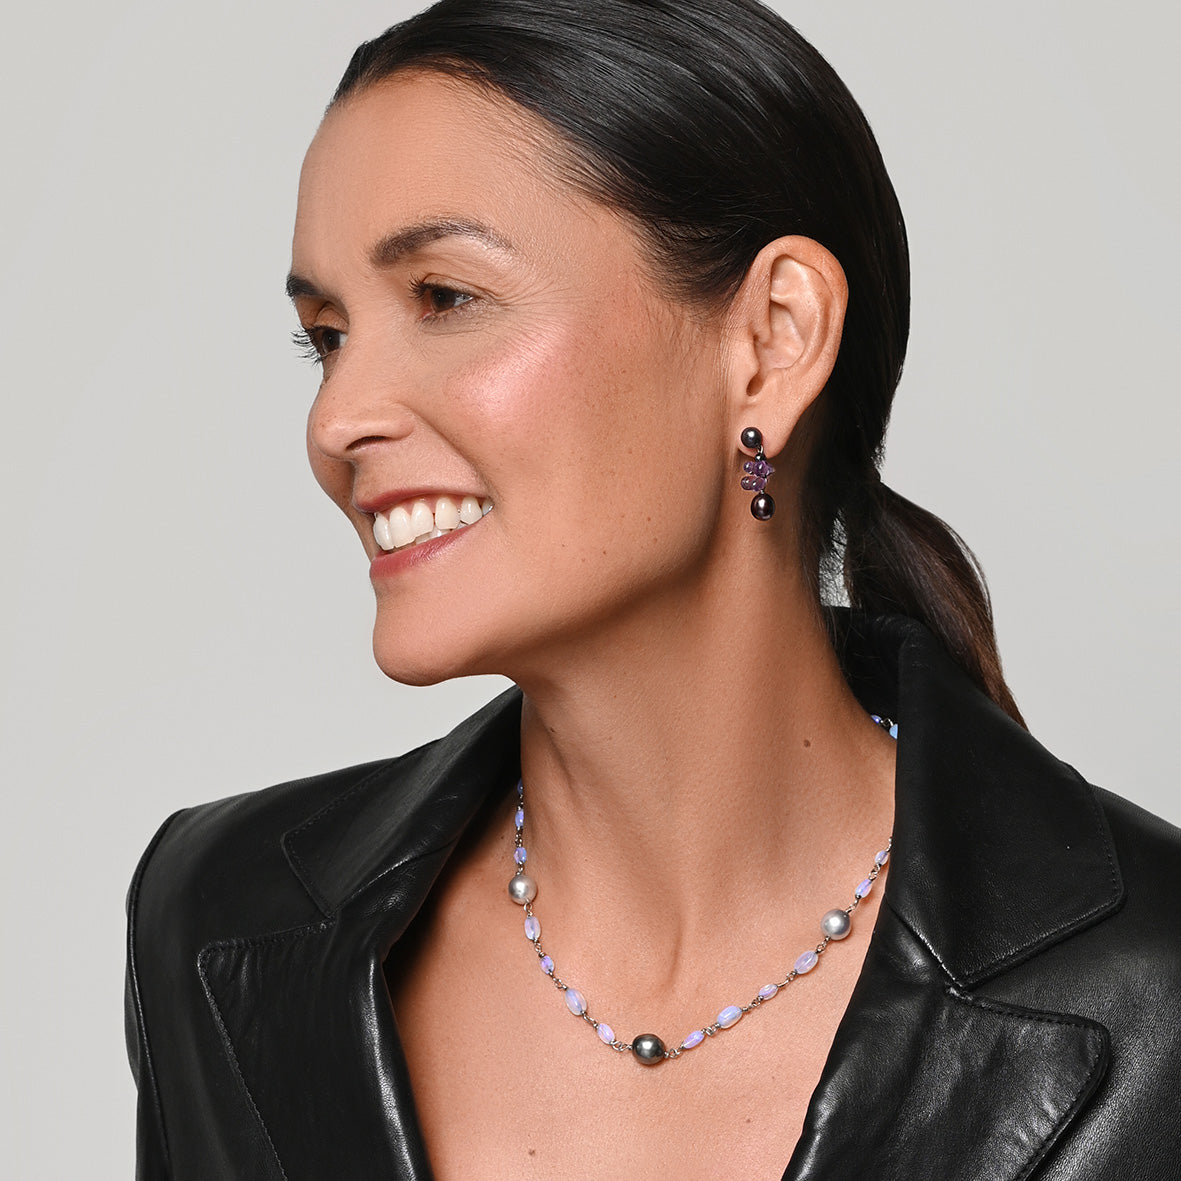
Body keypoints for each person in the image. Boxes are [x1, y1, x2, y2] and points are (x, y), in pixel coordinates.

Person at [123, 1, 1181, 1177]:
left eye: (443, 297)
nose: (337, 418)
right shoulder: (218, 920)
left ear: (770, 339)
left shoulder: (1154, 989)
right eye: (325, 336)